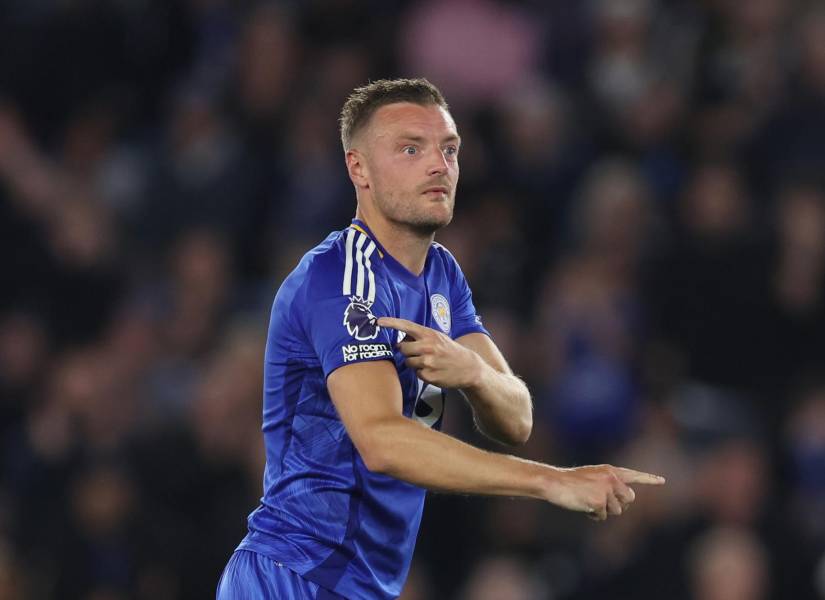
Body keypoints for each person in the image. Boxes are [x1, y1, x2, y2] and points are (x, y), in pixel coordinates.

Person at [216, 78, 665, 599]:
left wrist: (473, 374)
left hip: (355, 583)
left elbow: (517, 417)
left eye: (449, 149)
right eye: (411, 148)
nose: (439, 165)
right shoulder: (343, 279)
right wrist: (551, 481)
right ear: (357, 168)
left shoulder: (442, 275)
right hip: (294, 576)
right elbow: (381, 441)